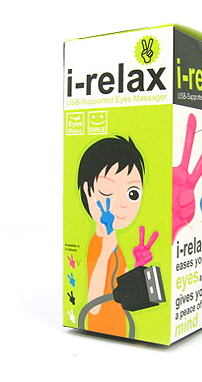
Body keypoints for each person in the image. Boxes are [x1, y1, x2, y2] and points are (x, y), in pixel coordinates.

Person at [77, 136, 144, 337]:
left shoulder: (113, 242)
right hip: (101, 329)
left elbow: (122, 285)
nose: (122, 204)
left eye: (132, 194)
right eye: (107, 191)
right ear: (88, 191)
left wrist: (138, 266)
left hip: (121, 327)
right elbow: (94, 305)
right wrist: (105, 254)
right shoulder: (99, 245)